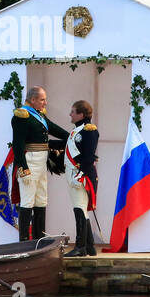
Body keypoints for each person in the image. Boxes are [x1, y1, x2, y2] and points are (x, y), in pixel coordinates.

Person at [10, 86, 69, 241]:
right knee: (27, 199)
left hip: (42, 162)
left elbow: (54, 129)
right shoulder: (22, 115)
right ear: (33, 99)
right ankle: (24, 240)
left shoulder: (39, 115)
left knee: (41, 199)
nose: (45, 103)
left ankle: (39, 238)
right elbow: (18, 144)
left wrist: (72, 136)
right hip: (30, 161)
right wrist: (23, 168)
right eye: (42, 99)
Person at [64, 100, 99, 256]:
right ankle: (89, 247)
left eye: (73, 111)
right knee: (81, 209)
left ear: (81, 114)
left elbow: (89, 157)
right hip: (75, 174)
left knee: (79, 209)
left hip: (81, 175)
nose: (70, 114)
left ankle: (80, 247)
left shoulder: (89, 130)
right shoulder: (77, 130)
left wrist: (80, 175)